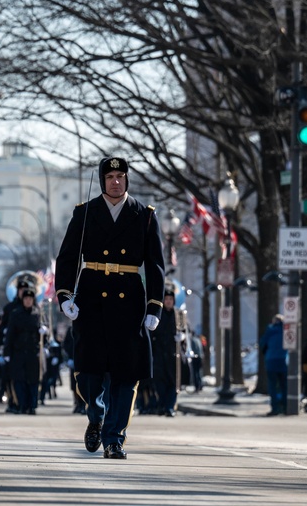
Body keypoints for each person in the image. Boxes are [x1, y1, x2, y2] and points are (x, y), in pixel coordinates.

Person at [55, 157, 166, 460]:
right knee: (89, 375)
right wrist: (65, 296)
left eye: (121, 176)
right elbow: (67, 258)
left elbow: (156, 265)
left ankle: (114, 438)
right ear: (102, 180)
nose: (116, 181)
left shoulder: (144, 215)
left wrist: (155, 306)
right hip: (91, 298)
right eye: (110, 176)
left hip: (129, 301)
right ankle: (96, 414)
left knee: (125, 375)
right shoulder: (85, 213)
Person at [3, 284, 46, 414]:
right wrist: (7, 352)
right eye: (26, 298)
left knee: (33, 381)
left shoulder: (38, 314)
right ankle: (22, 404)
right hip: (19, 352)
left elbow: (44, 333)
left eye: (30, 299)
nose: (28, 300)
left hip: (33, 352)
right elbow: (10, 334)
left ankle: (32, 406)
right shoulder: (16, 314)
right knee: (19, 380)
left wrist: (45, 333)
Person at [150, 283, 187, 416]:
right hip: (159, 353)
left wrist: (182, 338)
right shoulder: (158, 314)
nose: (168, 302)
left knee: (173, 382)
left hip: (173, 354)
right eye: (166, 299)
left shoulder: (179, 315)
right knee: (160, 382)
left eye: (170, 300)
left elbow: (184, 331)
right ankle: (163, 405)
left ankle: (170, 406)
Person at [259, 314, 288, 416]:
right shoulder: (286, 332)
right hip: (283, 361)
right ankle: (285, 407)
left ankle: (275, 408)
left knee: (273, 386)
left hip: (271, 361)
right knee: (284, 386)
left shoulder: (269, 331)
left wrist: (268, 352)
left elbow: (262, 344)